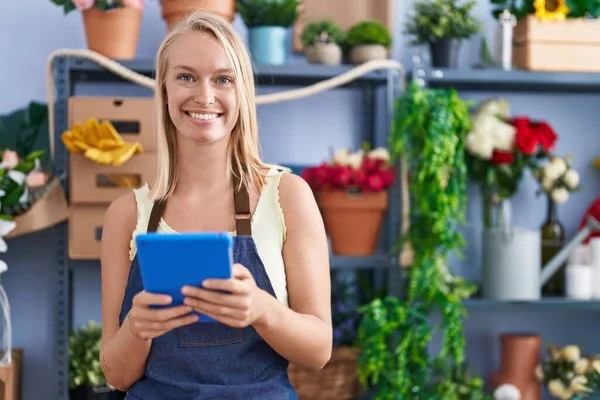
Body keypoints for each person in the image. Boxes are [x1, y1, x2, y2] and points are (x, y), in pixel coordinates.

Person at [98, 11, 332, 400]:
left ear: (241, 92)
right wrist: (136, 328)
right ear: (165, 88)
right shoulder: (127, 215)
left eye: (223, 79)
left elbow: (319, 350)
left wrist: (263, 310)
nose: (204, 96)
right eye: (186, 77)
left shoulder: (287, 196)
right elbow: (117, 376)